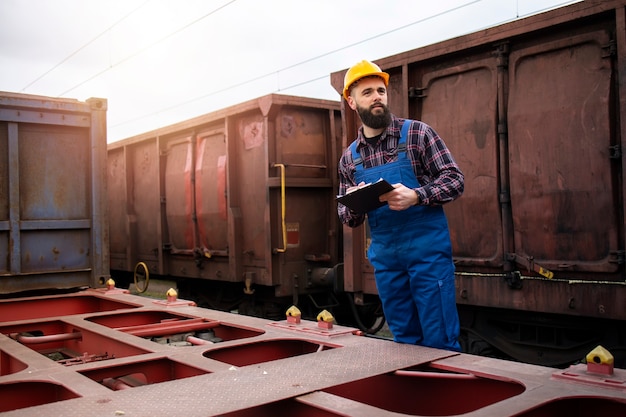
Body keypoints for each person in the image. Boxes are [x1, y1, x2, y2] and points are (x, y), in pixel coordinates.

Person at [337, 60, 464, 351]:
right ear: (351, 101)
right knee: (403, 342)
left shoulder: (417, 135)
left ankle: (445, 394)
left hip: (428, 257)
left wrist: (417, 195)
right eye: (367, 92)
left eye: (380, 90)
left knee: (440, 339)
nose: (377, 97)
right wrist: (357, 200)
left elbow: (455, 180)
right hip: (387, 263)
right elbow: (346, 216)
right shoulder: (350, 158)